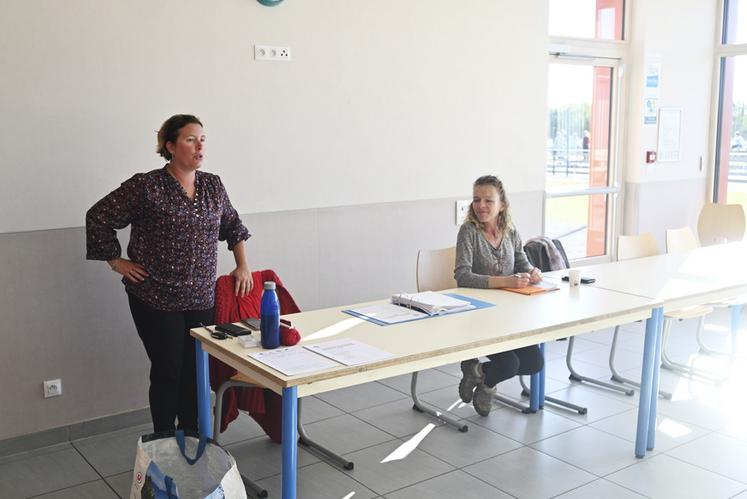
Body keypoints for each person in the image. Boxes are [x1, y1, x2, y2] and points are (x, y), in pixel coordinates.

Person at [86, 114, 252, 432]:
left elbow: (232, 225)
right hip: (154, 295)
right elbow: (98, 216)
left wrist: (242, 264)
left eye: (202, 138)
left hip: (201, 296)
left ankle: (190, 436)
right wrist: (116, 261)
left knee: (194, 369)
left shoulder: (213, 185)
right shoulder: (146, 186)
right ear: (171, 146)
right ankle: (163, 438)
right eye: (191, 139)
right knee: (168, 369)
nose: (199, 145)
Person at [454, 175, 544, 416]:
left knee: (535, 362)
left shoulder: (510, 231)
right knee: (509, 363)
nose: (480, 205)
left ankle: (479, 373)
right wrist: (505, 281)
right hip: (478, 316)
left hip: (508, 314)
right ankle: (488, 385)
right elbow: (462, 276)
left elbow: (522, 262)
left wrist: (532, 272)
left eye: (488, 200)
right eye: (476, 199)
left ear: (502, 205)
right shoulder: (468, 232)